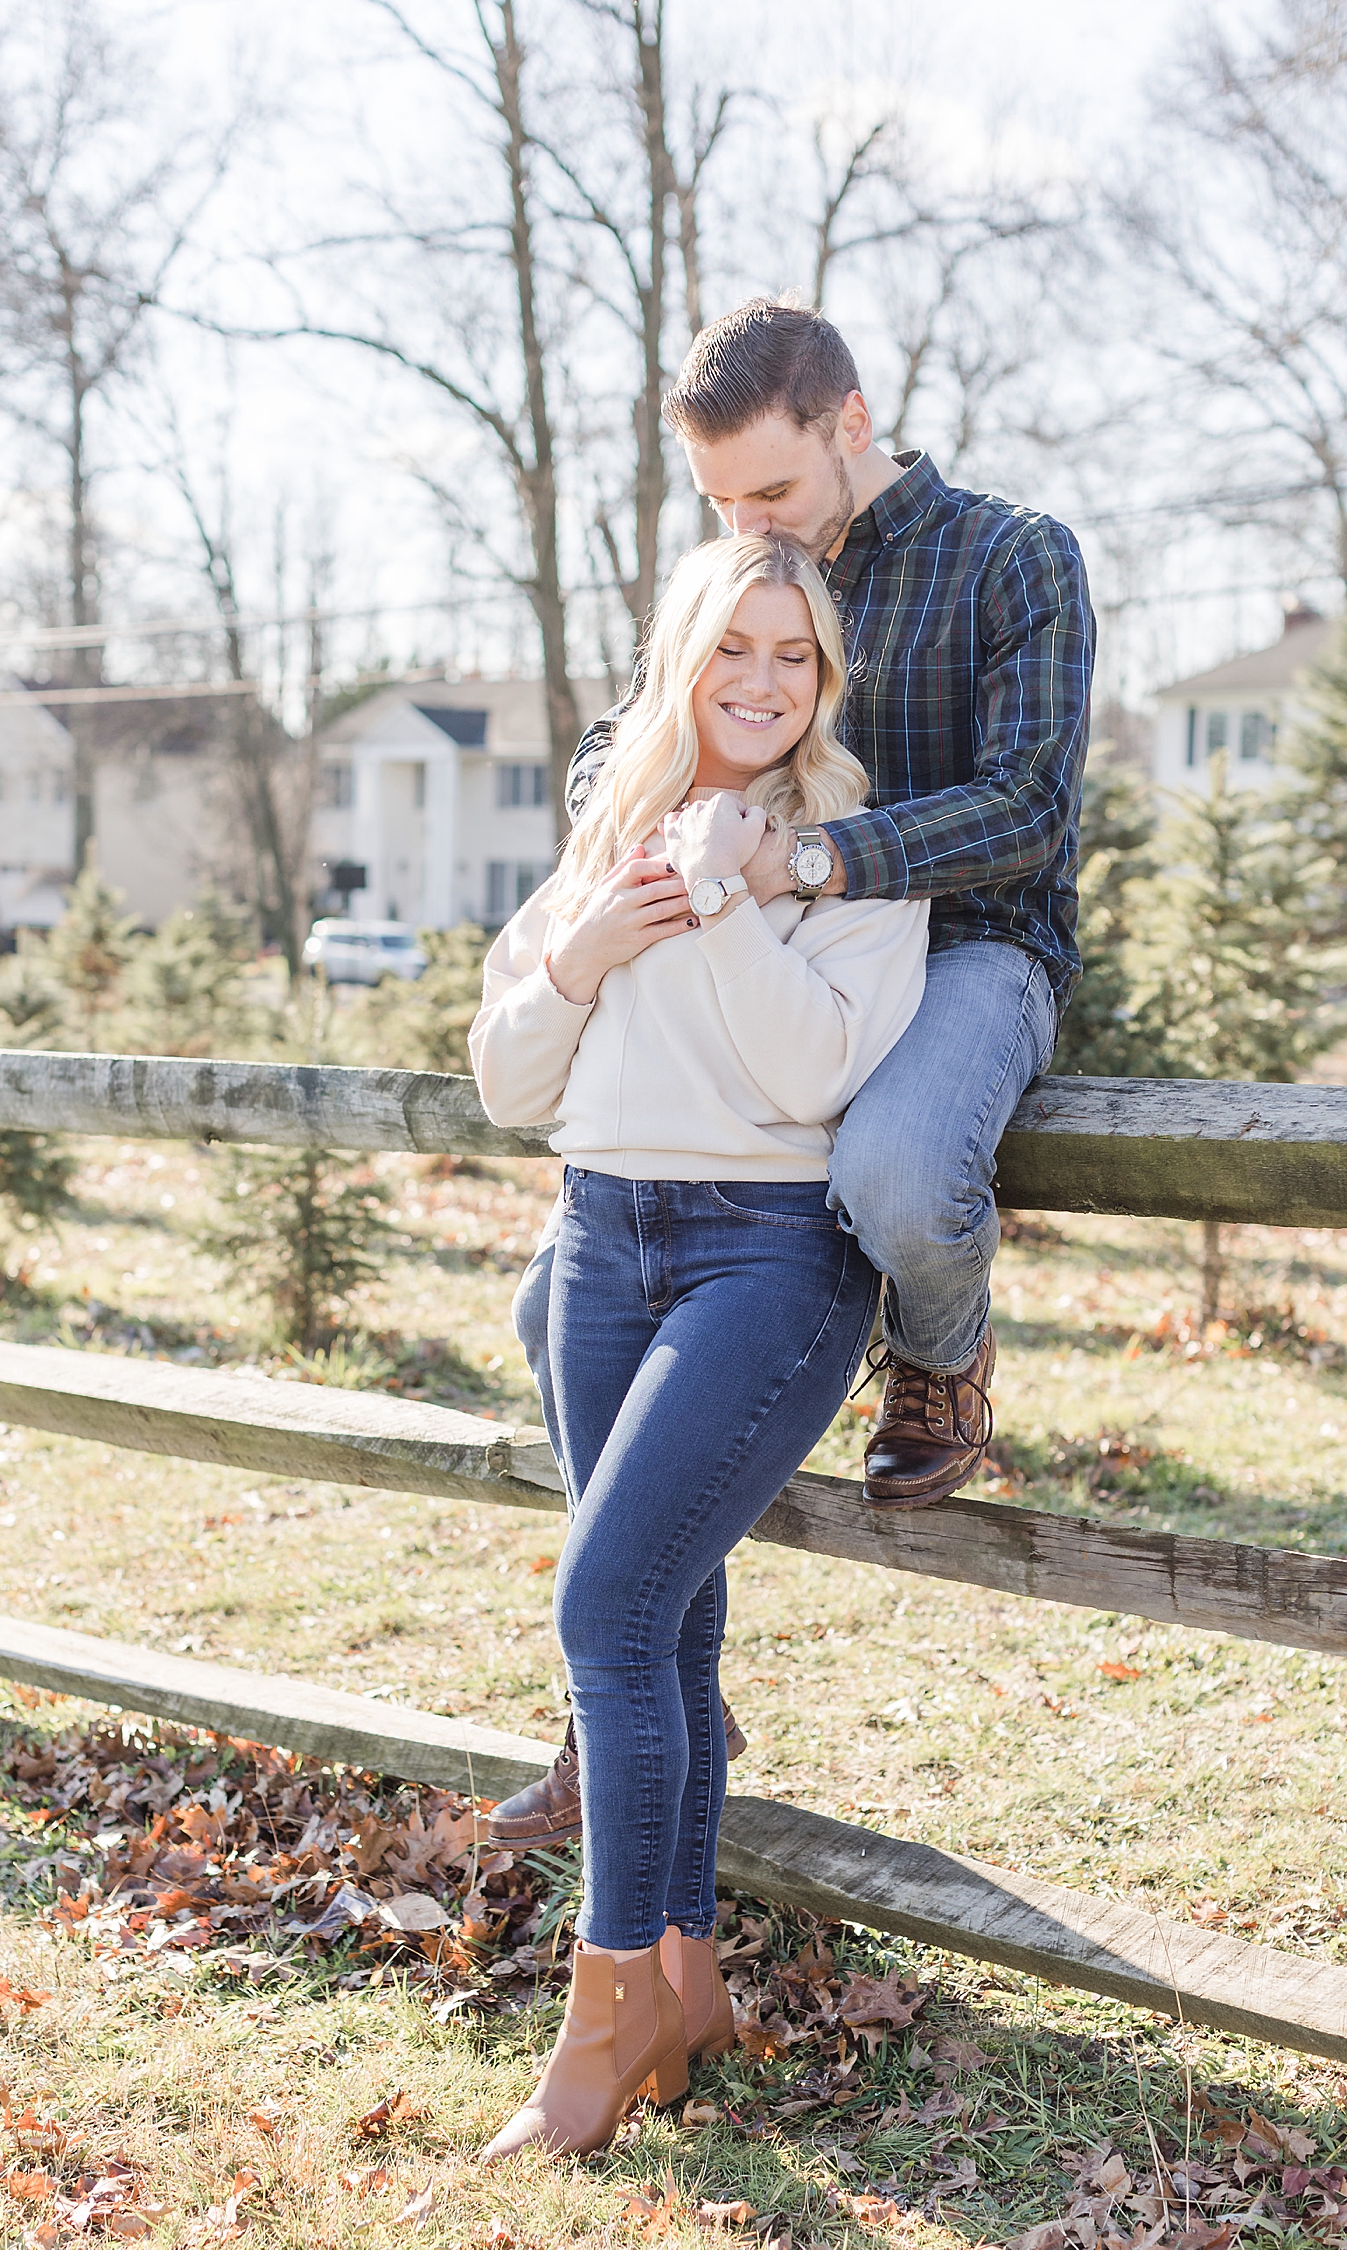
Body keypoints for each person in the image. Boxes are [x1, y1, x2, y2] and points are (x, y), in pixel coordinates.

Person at [486, 296, 1093, 1856]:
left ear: (848, 421)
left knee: (888, 1170)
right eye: (722, 509)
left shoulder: (1012, 556)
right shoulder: (762, 585)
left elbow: (1026, 803)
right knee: (559, 1294)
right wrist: (653, 846)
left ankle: (941, 1354)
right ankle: (638, 1680)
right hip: (770, 937)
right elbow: (622, 750)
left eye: (766, 491)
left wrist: (807, 856)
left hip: (964, 942)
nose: (750, 526)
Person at [468, 533, 927, 2158]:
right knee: (671, 1627)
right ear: (684, 652)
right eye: (733, 645)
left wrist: (729, 891)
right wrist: (590, 945)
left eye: (792, 655)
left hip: (769, 1255)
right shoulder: (611, 823)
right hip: (601, 1237)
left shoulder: (857, 853)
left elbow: (814, 1079)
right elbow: (510, 1076)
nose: (759, 681)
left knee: (604, 1603)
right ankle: (689, 1975)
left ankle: (597, 2037)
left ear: (824, 679)